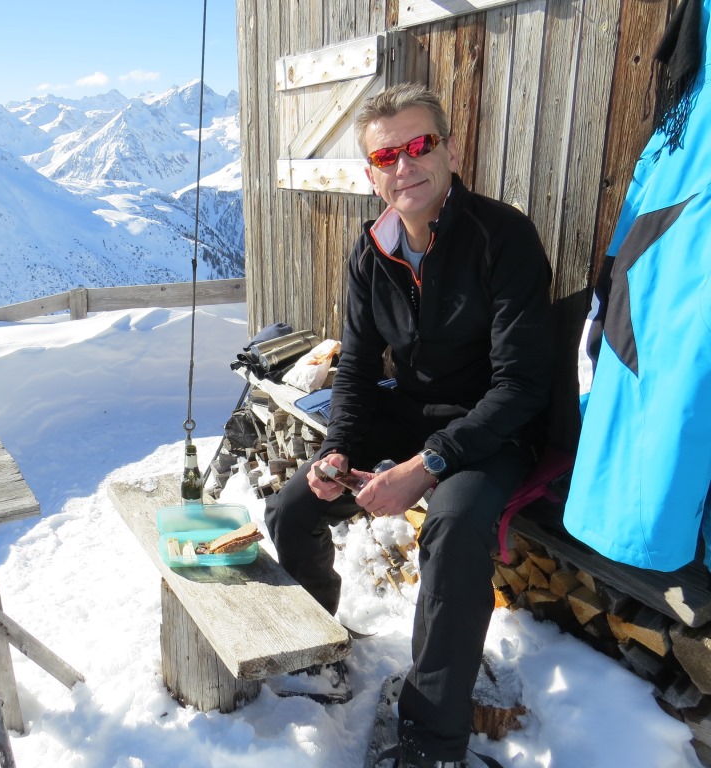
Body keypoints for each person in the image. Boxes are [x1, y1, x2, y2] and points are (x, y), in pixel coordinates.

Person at [263, 83, 554, 768]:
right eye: (385, 155)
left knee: (452, 529)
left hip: (493, 427)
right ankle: (319, 653)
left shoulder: (502, 237)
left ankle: (432, 743)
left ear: (451, 151)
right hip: (412, 410)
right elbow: (359, 371)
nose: (404, 165)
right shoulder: (372, 252)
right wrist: (338, 450)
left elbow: (521, 386)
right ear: (371, 175)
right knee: (292, 507)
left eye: (419, 145)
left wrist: (428, 466)